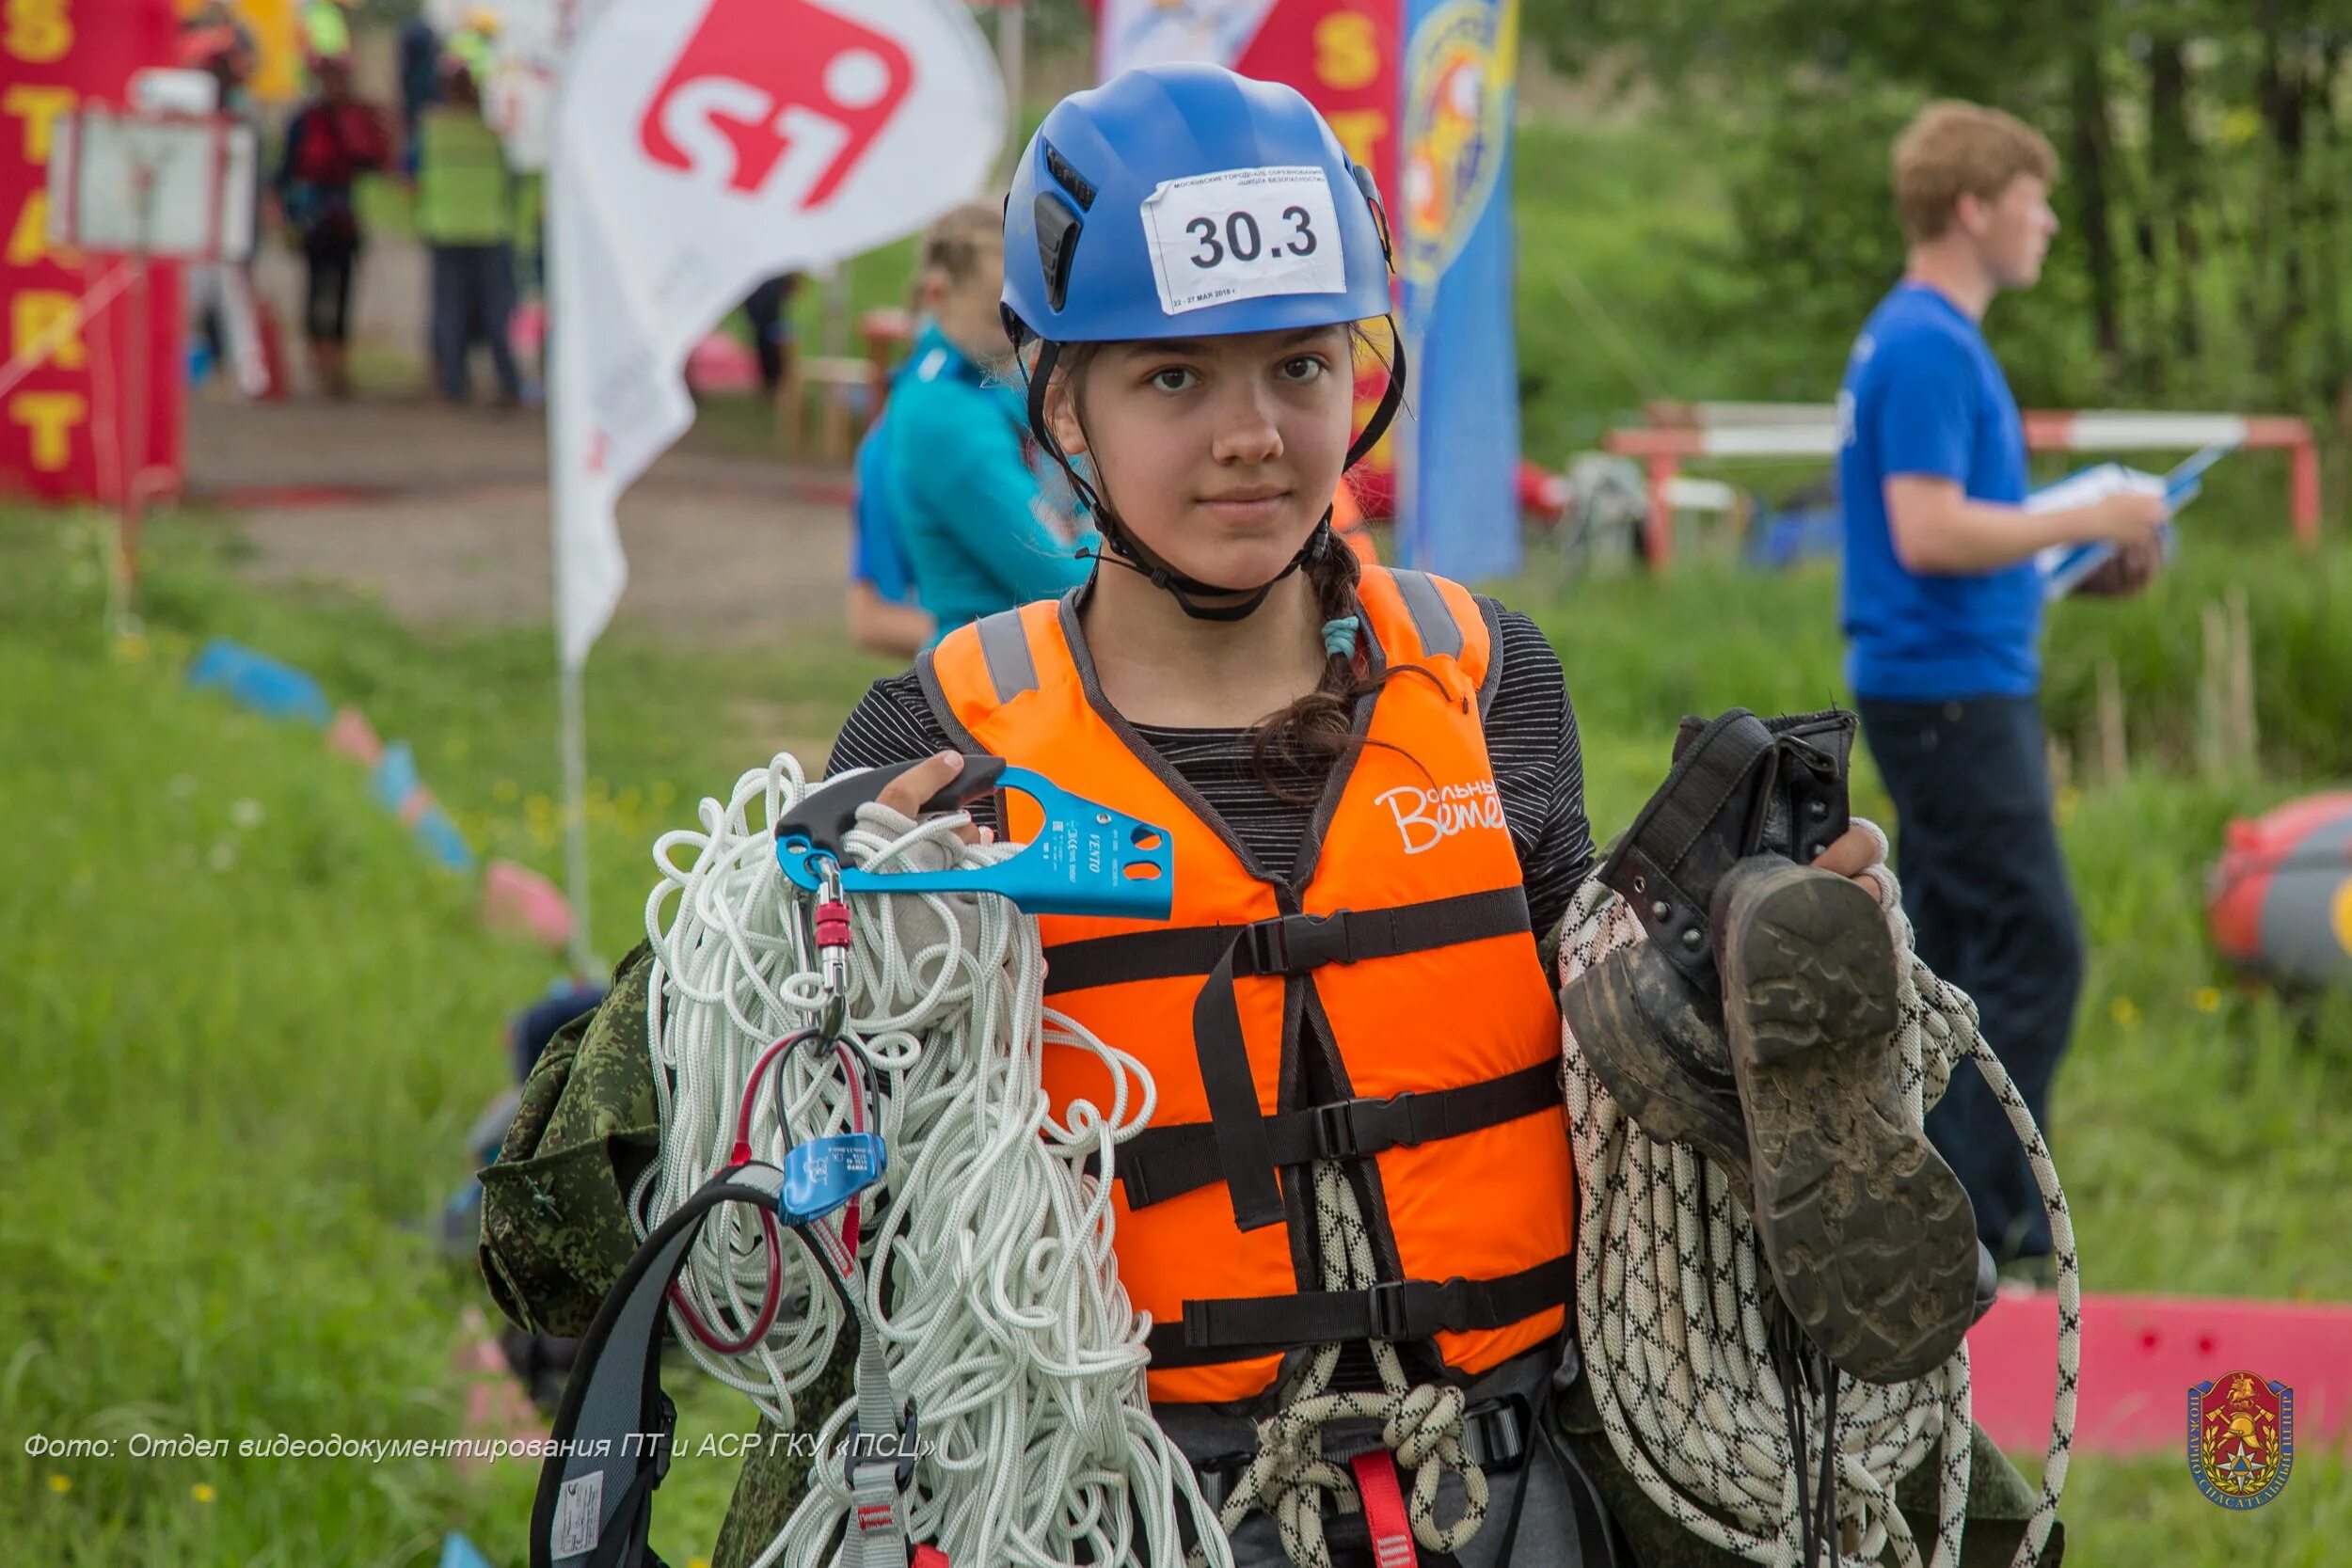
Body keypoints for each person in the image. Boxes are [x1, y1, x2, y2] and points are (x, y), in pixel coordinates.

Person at [482, 67, 2058, 1568]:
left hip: (1508, 1488)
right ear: (1064, 405)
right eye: (1176, 377)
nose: (1255, 433)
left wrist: (1721, 970)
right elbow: (623, 1220)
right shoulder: (935, 742)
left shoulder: (1492, 676)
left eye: (1300, 365)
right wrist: (809, 951)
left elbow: (1571, 1038)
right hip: (1117, 1494)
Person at [1837, 101, 2167, 1280]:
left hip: (1951, 677)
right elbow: (1925, 532)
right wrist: (2091, 511)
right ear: (1973, 209)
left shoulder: (1923, 339)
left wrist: (2075, 565)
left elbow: (1958, 543)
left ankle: (1929, 1226)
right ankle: (1987, 1236)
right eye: (2033, 197)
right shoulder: (1928, 343)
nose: (2051, 219)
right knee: (2037, 951)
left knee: (1966, 961)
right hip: (1953, 695)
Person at [875, 200, 1093, 644]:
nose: (1024, 333)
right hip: (992, 683)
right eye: (1001, 316)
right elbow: (1059, 575)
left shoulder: (992, 379)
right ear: (939, 294)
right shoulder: (940, 412)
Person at [276, 52, 392, 400]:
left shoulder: (350, 119)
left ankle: (335, 362)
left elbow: (373, 164)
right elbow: (287, 170)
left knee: (340, 290)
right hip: (317, 219)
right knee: (317, 289)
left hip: (344, 219)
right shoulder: (310, 121)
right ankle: (320, 359)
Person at [415, 57, 522, 406]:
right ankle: (509, 384)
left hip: (445, 226)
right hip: (490, 226)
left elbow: (408, 171)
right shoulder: (496, 130)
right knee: (498, 312)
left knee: (450, 311)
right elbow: (517, 173)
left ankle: (452, 385)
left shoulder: (432, 127)